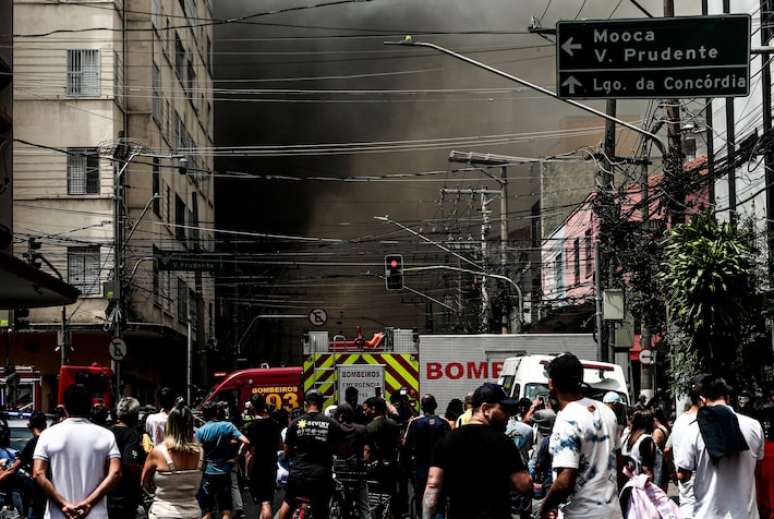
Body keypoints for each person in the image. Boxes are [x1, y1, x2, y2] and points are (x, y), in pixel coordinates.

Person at [423, 383, 532, 519]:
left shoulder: (446, 441)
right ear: (485, 408)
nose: (508, 416)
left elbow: (433, 486)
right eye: (503, 410)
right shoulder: (503, 442)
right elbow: (524, 484)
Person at [539, 353, 622, 519]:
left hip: (582, 514)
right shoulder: (606, 411)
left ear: (551, 383)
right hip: (612, 512)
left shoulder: (567, 418)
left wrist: (544, 508)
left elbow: (565, 481)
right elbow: (619, 462)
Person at [674, 374, 764, 519]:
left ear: (702, 399)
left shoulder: (693, 430)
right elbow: (757, 469)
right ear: (727, 397)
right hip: (746, 514)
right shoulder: (754, 426)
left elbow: (682, 475)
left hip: (708, 514)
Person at [33, 384, 122, 519]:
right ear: (90, 406)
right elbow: (115, 473)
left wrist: (63, 504)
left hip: (58, 514)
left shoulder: (48, 434)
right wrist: (88, 503)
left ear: (65, 407)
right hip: (95, 515)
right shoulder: (106, 435)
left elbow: (38, 473)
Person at [278, 390, 341, 519]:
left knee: (288, 503)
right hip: (321, 476)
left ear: (306, 404)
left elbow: (287, 452)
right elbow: (338, 449)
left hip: (298, 474)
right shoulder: (332, 424)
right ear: (322, 404)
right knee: (321, 510)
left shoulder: (295, 423)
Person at [141, 402, 203, 519]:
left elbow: (144, 482)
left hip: (163, 512)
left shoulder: (157, 452)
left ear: (169, 424)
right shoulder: (200, 452)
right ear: (190, 425)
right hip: (192, 513)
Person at [195, 401, 249, 519]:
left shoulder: (200, 431)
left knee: (207, 511)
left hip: (208, 474)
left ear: (204, 414)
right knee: (226, 511)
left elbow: (197, 453)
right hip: (224, 473)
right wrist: (237, 458)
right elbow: (246, 442)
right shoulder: (228, 426)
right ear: (217, 412)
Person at [403, 394, 450, 518]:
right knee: (439, 501)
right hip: (440, 468)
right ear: (435, 406)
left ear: (422, 407)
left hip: (420, 468)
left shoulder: (415, 423)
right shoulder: (443, 423)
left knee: (421, 498)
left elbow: (406, 446)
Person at [665, 381, 700, 519]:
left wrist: (673, 474)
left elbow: (667, 451)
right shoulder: (700, 423)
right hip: (701, 502)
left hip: (686, 499)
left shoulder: (679, 422)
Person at [244, 394, 282, 519]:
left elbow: (251, 454)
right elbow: (280, 446)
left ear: (253, 408)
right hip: (271, 467)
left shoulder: (252, 427)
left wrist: (247, 472)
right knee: (266, 501)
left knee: (265, 504)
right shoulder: (274, 424)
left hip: (258, 468)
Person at [108, 397, 146, 519]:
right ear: (134, 415)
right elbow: (131, 462)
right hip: (125, 495)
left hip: (107, 494)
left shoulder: (108, 432)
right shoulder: (132, 434)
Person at [333, 403, 369, 519]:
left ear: (340, 416)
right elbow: (367, 450)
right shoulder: (362, 428)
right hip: (357, 474)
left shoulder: (335, 429)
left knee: (341, 502)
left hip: (340, 475)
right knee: (363, 506)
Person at [506, 403, 535, 519]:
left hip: (506, 469)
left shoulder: (501, 428)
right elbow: (529, 448)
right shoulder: (528, 429)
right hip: (522, 468)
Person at [19, 411, 48, 519]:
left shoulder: (32, 443)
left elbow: (15, 467)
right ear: (45, 425)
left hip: (37, 488)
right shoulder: (50, 441)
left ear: (30, 426)